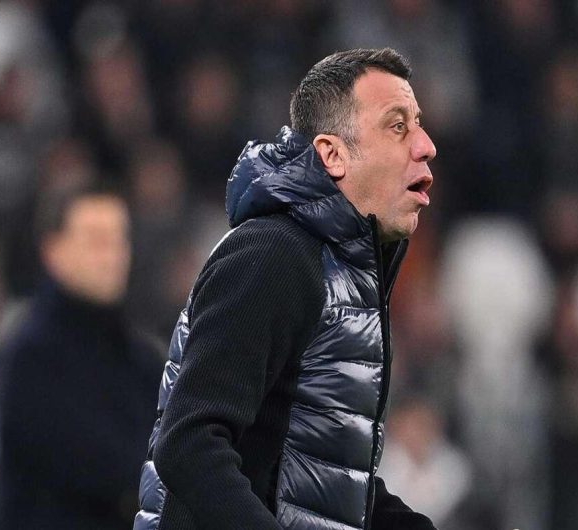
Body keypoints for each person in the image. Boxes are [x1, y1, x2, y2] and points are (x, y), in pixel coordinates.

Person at [135, 48, 438, 530]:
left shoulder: (344, 272)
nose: (425, 145)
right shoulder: (273, 253)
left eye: (418, 124)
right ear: (332, 154)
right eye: (397, 126)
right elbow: (190, 443)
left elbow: (328, 486)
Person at [0, 186, 163, 530]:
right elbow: (106, 468)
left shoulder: (141, 358)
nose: (112, 256)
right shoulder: (29, 356)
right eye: (96, 241)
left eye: (119, 240)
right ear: (52, 250)